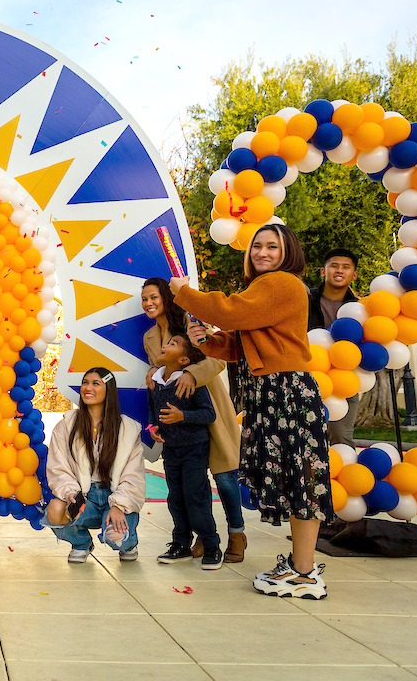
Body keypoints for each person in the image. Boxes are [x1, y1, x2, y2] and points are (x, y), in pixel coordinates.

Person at [173, 224, 333, 600]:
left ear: (287, 251)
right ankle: (300, 567)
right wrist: (210, 342)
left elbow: (228, 311)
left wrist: (184, 293)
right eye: (257, 246)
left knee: (302, 483)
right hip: (273, 394)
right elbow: (244, 344)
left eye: (272, 246)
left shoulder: (280, 284)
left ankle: (305, 573)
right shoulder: (266, 289)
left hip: (286, 395)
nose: (262, 252)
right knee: (298, 484)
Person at [142, 278, 246, 562]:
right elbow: (162, 366)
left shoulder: (191, 321)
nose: (149, 303)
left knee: (224, 476)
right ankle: (204, 535)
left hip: (207, 403)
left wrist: (193, 373)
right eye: (145, 299)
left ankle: (237, 533)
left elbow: (220, 358)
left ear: (166, 296)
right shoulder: (149, 337)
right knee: (192, 483)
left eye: (154, 297)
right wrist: (152, 371)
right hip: (181, 423)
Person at [45, 368, 144, 563]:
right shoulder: (67, 424)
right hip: (84, 495)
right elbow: (58, 467)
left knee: (118, 540)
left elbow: (133, 475)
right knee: (56, 510)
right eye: (85, 382)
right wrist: (72, 494)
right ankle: (81, 543)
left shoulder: (128, 428)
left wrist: (119, 505)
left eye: (95, 383)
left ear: (109, 389)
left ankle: (129, 543)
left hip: (114, 495)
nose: (87, 388)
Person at [150, 334, 223, 569]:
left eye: (172, 344)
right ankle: (180, 543)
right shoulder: (157, 382)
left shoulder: (192, 382)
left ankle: (211, 545)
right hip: (171, 450)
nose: (165, 345)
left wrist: (183, 416)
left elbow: (208, 414)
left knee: (196, 496)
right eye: (167, 342)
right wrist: (154, 428)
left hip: (194, 448)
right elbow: (154, 412)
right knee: (175, 497)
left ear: (183, 360)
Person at [307, 249, 361, 447]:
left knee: (341, 438)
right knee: (309, 441)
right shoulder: (305, 300)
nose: (339, 271)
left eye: (346, 267)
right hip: (308, 377)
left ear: (353, 275)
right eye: (334, 266)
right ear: (323, 271)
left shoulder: (359, 309)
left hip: (343, 382)